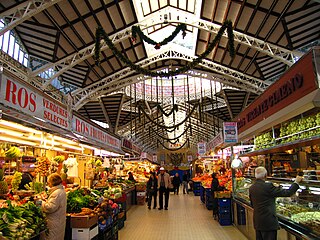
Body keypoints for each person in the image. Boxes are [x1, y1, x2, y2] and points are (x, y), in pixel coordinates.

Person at [249, 167, 302, 240]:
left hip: (258, 221)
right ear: (265, 175)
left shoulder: (252, 187)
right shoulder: (268, 186)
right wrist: (296, 182)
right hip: (268, 223)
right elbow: (288, 192)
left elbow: (252, 204)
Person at [40, 173, 67, 240]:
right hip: (58, 221)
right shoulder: (61, 191)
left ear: (52, 182)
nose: (48, 184)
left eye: (48, 182)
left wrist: (40, 202)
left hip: (53, 222)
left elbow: (50, 208)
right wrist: (46, 200)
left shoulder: (57, 193)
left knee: (51, 237)